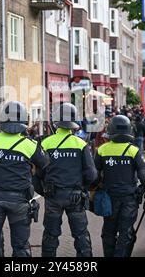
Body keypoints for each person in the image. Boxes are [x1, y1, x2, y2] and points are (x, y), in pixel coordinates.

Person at [0, 101, 49, 257]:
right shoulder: (30, 145)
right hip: (19, 202)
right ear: (24, 121)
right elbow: (46, 166)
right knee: (21, 248)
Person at [37, 103, 97, 257]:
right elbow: (91, 175)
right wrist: (82, 188)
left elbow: (36, 175)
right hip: (75, 197)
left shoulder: (45, 143)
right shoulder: (81, 144)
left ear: (55, 122)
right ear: (74, 123)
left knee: (50, 235)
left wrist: (44, 191)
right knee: (81, 235)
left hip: (52, 197)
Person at [94, 115, 145, 257]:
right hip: (129, 199)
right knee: (125, 233)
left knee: (108, 232)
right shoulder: (133, 150)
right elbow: (144, 174)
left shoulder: (102, 150)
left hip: (109, 199)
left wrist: (95, 189)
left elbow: (93, 175)